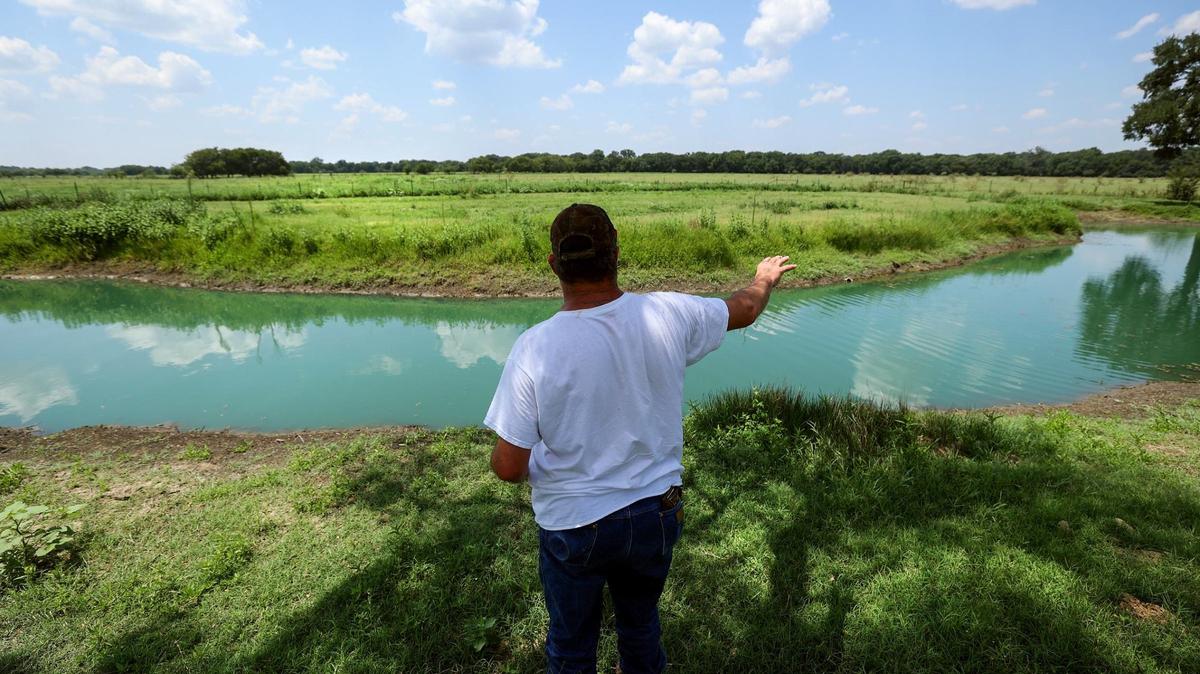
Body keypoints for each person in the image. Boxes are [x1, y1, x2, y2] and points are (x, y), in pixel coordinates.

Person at [485, 203, 795, 673]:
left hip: (574, 521)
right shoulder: (669, 312)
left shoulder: (535, 347)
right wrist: (763, 277)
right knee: (640, 625)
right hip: (657, 509)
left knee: (571, 645)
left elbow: (509, 467)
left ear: (553, 264)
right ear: (616, 253)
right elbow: (746, 308)